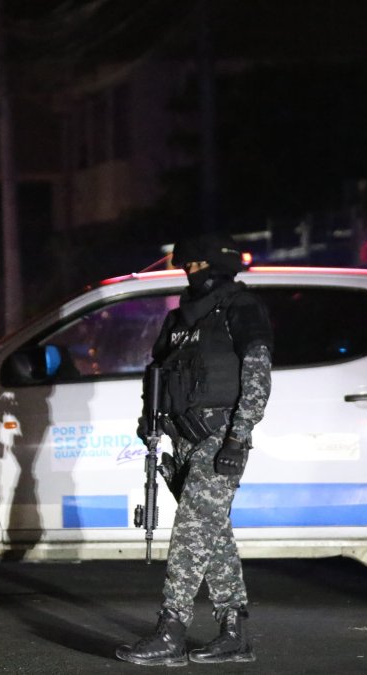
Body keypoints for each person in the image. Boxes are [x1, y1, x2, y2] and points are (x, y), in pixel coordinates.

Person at [116, 233, 274, 666]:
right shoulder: (181, 319)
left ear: (216, 264)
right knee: (213, 536)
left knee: (189, 535)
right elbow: (159, 373)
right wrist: (151, 422)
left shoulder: (241, 309)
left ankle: (171, 631)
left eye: (198, 265)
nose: (191, 273)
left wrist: (239, 439)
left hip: (220, 437)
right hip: (183, 439)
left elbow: (258, 378)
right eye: (186, 267)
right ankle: (234, 633)